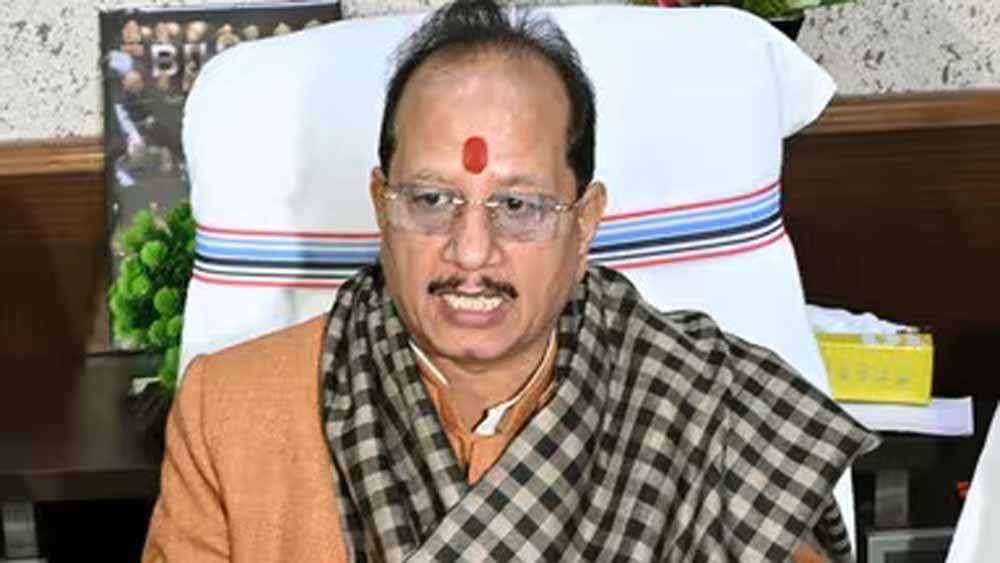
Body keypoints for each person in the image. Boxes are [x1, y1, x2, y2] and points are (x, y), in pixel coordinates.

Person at [142, 0, 877, 561]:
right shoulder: (229, 413)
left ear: (584, 223)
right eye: (432, 200)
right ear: (381, 205)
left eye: (519, 206)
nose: (471, 252)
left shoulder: (709, 413)